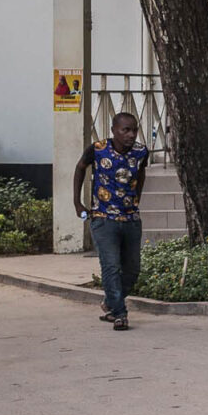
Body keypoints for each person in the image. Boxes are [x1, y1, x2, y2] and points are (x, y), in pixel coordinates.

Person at [72, 111, 149, 332]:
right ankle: (120, 314)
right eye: (126, 130)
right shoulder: (97, 149)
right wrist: (78, 204)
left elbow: (141, 174)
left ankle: (110, 302)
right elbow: (79, 169)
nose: (131, 134)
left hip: (131, 219)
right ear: (114, 130)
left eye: (134, 130)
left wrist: (137, 199)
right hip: (104, 219)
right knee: (111, 266)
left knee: (132, 269)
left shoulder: (141, 152)